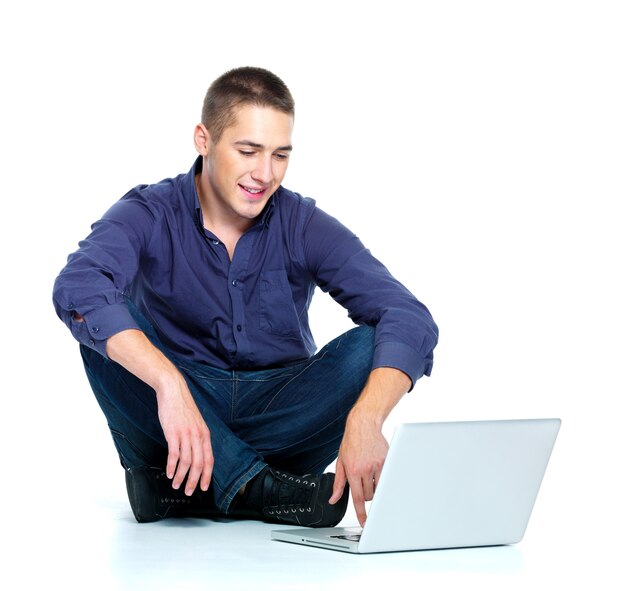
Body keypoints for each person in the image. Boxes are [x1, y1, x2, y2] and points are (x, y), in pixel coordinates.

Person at [52, 66, 438, 529]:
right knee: (104, 327)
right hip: (177, 426)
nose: (264, 173)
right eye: (248, 151)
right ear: (204, 139)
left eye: (280, 155)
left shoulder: (303, 223)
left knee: (371, 343)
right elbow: (78, 285)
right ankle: (259, 490)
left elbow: (407, 314)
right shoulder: (149, 211)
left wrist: (367, 418)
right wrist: (169, 386)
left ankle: (185, 493)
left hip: (282, 419)